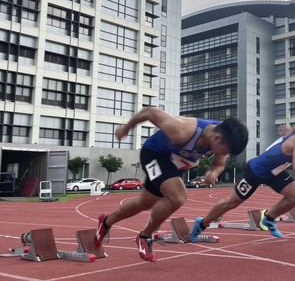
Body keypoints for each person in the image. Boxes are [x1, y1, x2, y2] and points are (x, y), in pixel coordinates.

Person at [94, 107, 248, 262]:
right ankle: (145, 236)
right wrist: (126, 128)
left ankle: (106, 222)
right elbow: (150, 112)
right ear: (216, 138)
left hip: (175, 163)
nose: (224, 154)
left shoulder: (222, 138)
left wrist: (213, 173)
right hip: (154, 154)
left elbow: (218, 164)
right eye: (225, 151)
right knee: (178, 197)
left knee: (145, 202)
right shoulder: (182, 130)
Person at [189, 119, 295, 239]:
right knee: (232, 202)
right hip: (257, 171)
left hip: (276, 172)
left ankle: (269, 217)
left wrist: (287, 136)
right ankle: (201, 224)